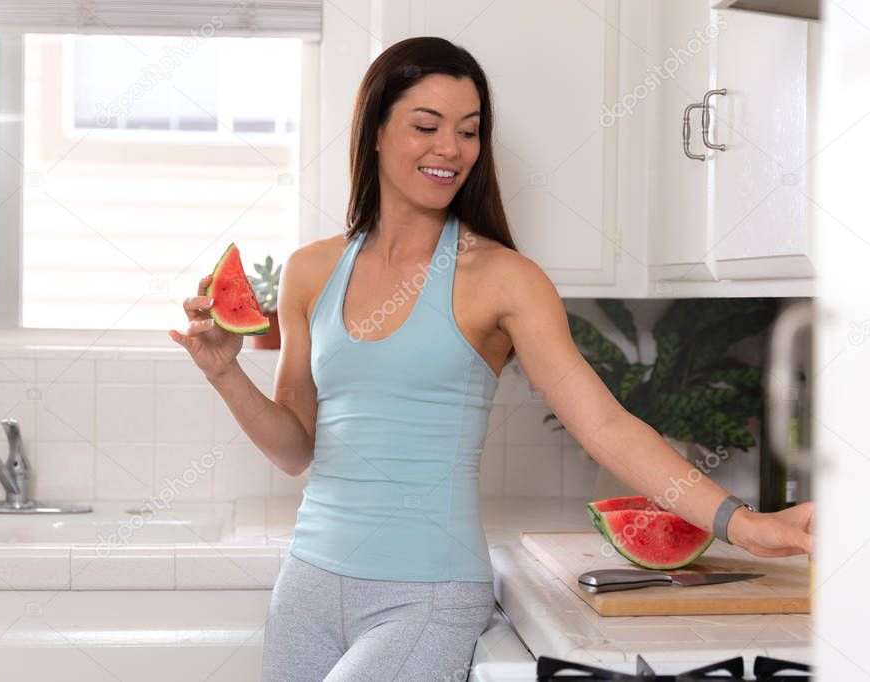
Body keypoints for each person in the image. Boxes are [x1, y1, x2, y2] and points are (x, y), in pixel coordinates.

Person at [169, 36, 814, 682]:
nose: (450, 148)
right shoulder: (311, 271)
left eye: (469, 131)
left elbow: (605, 427)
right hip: (306, 588)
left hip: (424, 596)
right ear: (373, 132)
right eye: (426, 125)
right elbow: (294, 448)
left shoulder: (504, 279)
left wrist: (741, 524)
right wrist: (224, 372)